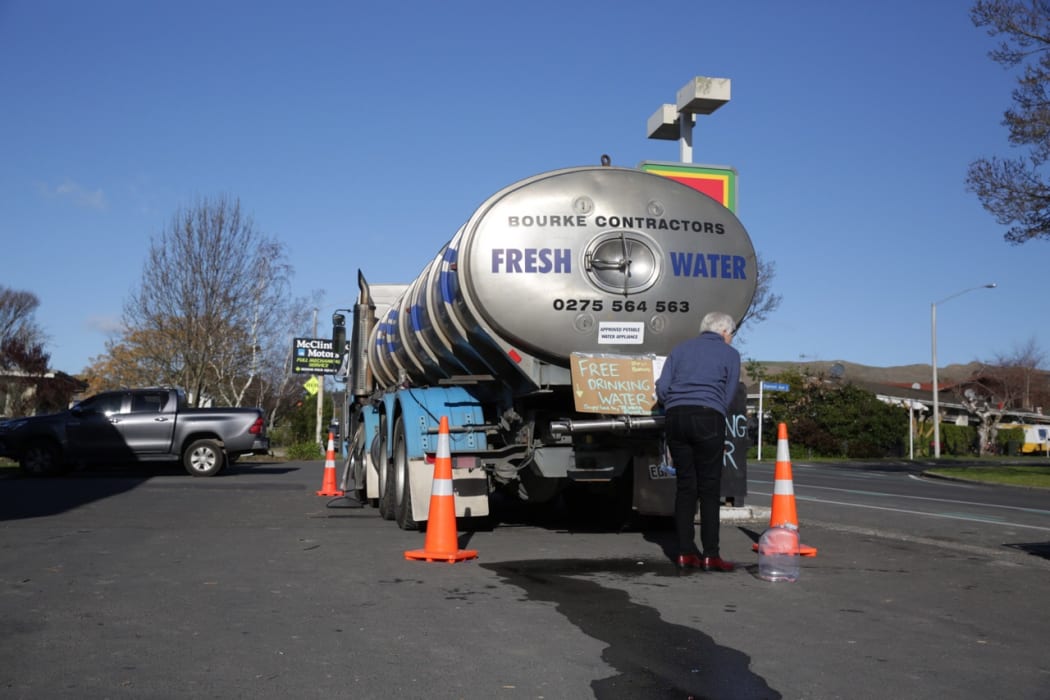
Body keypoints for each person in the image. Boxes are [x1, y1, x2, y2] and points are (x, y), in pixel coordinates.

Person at [655, 311, 741, 572]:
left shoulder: (680, 349)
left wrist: (675, 404)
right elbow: (728, 393)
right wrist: (712, 409)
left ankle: (684, 552)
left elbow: (661, 387)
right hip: (708, 416)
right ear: (725, 332)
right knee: (709, 488)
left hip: (676, 417)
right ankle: (711, 555)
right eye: (731, 335)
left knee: (686, 486)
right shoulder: (730, 354)